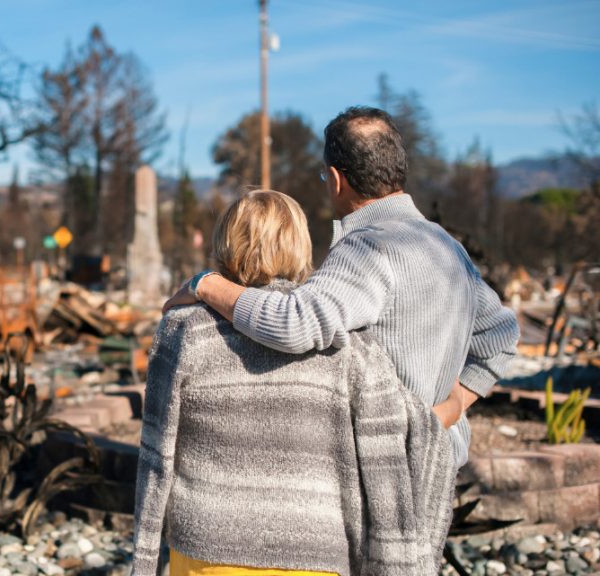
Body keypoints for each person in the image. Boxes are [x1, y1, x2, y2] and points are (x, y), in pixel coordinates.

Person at [164, 106, 520, 468]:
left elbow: (293, 323)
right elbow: (501, 336)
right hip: (441, 464)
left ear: (335, 179)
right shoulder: (447, 247)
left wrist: (206, 284)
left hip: (388, 471)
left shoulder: (368, 247)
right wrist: (454, 405)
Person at [133, 190, 455, 576]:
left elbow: (156, 454)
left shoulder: (183, 331)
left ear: (224, 244)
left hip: (206, 551)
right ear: (300, 246)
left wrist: (144, 559)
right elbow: (400, 434)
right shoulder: (346, 345)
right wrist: (456, 404)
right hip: (316, 553)